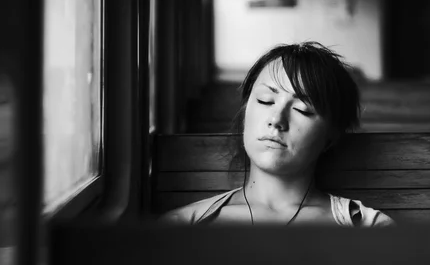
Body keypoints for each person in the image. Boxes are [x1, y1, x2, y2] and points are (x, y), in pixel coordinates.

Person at [163, 42, 394, 227]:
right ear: (245, 112)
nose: (276, 120)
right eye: (265, 100)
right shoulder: (181, 226)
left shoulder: (368, 228)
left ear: (330, 136)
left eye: (303, 109)